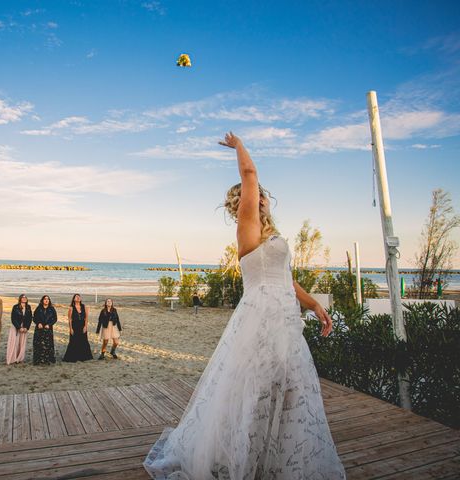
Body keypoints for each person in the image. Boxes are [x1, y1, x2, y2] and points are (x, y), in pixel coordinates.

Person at [144, 132, 345, 479]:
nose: (261, 195)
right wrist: (238, 147)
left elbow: (287, 279)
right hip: (262, 317)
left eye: (262, 194)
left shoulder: (269, 237)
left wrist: (314, 305)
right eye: (257, 194)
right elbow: (250, 176)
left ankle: (275, 462)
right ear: (246, 203)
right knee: (256, 391)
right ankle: (243, 464)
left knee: (287, 390)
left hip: (284, 318)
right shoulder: (246, 226)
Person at [62, 294, 93, 362]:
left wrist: (85, 326)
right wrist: (71, 329)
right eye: (76, 297)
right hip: (74, 326)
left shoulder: (84, 307)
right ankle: (73, 357)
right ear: (74, 299)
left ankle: (83, 357)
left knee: (83, 341)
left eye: (79, 297)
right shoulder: (71, 308)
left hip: (82, 326)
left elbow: (86, 318)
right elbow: (70, 319)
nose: (78, 297)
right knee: (74, 341)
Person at [7, 294, 32, 365]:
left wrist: (26, 327)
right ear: (20, 299)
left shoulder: (28, 307)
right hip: (16, 327)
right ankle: (12, 359)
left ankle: (20, 358)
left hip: (24, 328)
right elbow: (13, 318)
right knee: (14, 343)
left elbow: (30, 318)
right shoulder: (15, 307)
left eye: (25, 297)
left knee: (22, 343)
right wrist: (19, 327)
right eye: (23, 297)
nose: (24, 298)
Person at [32, 295, 57, 365]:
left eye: (48, 299)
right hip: (39, 329)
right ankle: (38, 360)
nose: (46, 300)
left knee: (48, 344)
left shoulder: (52, 309)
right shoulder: (38, 308)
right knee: (38, 344)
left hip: (48, 329)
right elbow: (34, 318)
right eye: (45, 299)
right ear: (42, 300)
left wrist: (49, 324)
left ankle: (48, 360)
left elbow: (55, 319)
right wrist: (38, 323)